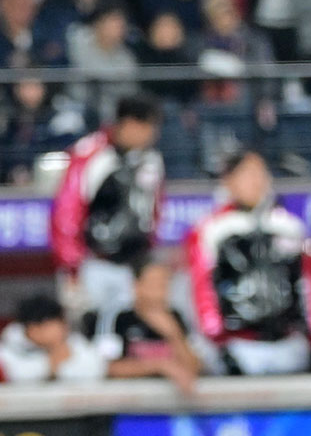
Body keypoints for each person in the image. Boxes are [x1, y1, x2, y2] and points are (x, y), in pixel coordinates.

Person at [185, 150, 311, 375]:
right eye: (247, 173)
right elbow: (203, 287)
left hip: (288, 341)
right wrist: (216, 336)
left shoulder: (290, 227)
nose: (256, 180)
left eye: (261, 173)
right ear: (228, 181)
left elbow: (307, 282)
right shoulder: (211, 230)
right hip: (238, 345)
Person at [51, 93, 165, 322]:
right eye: (148, 127)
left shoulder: (151, 159)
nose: (153, 134)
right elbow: (67, 212)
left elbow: (154, 210)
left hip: (134, 265)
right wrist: (72, 265)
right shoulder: (90, 154)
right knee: (89, 328)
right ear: (129, 124)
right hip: (93, 263)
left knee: (127, 330)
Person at [82, 255, 204, 392]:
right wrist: (159, 366)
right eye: (153, 284)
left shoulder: (176, 317)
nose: (160, 292)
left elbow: (194, 367)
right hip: (125, 400)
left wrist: (173, 334)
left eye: (164, 284)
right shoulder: (116, 318)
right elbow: (107, 367)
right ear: (136, 285)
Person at [0, 294, 108, 383]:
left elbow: (96, 368)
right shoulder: (8, 347)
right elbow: (16, 375)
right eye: (58, 323)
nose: (65, 327)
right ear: (35, 328)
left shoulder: (74, 341)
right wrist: (51, 365)